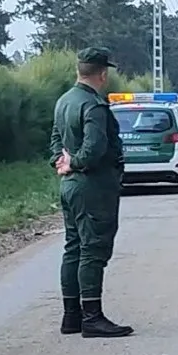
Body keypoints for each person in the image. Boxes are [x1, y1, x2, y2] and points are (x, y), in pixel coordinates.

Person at [50, 47, 134, 339]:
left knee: (73, 247)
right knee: (93, 249)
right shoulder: (94, 106)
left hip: (70, 186)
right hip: (93, 186)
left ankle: (71, 316)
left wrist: (61, 163)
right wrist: (76, 161)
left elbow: (55, 141)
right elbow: (95, 148)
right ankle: (92, 317)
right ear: (102, 73)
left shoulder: (64, 101)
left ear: (78, 70)